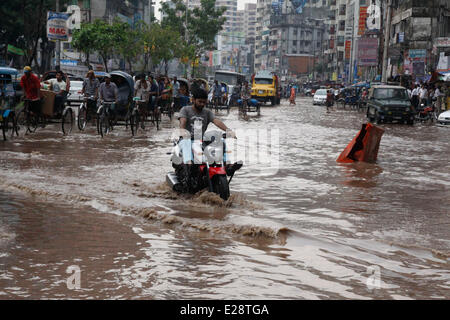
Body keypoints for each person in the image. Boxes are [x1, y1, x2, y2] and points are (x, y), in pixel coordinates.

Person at [178, 87, 236, 165]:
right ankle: (189, 164)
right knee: (186, 141)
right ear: (193, 100)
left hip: (200, 141)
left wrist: (228, 131)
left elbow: (217, 121)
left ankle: (227, 164)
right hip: (186, 140)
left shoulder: (207, 112)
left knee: (221, 141)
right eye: (200, 102)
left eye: (204, 102)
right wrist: (182, 132)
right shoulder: (185, 110)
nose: (202, 104)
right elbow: (183, 121)